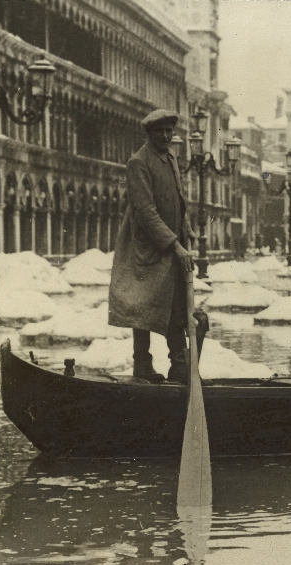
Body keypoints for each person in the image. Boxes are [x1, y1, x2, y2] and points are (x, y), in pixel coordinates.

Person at [108, 109, 196, 384]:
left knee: (176, 303)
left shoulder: (170, 158)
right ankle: (142, 364)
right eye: (161, 131)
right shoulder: (139, 162)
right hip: (146, 245)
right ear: (149, 133)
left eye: (170, 131)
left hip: (170, 242)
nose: (167, 136)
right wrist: (175, 245)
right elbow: (145, 211)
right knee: (142, 305)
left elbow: (178, 200)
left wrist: (186, 228)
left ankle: (179, 365)